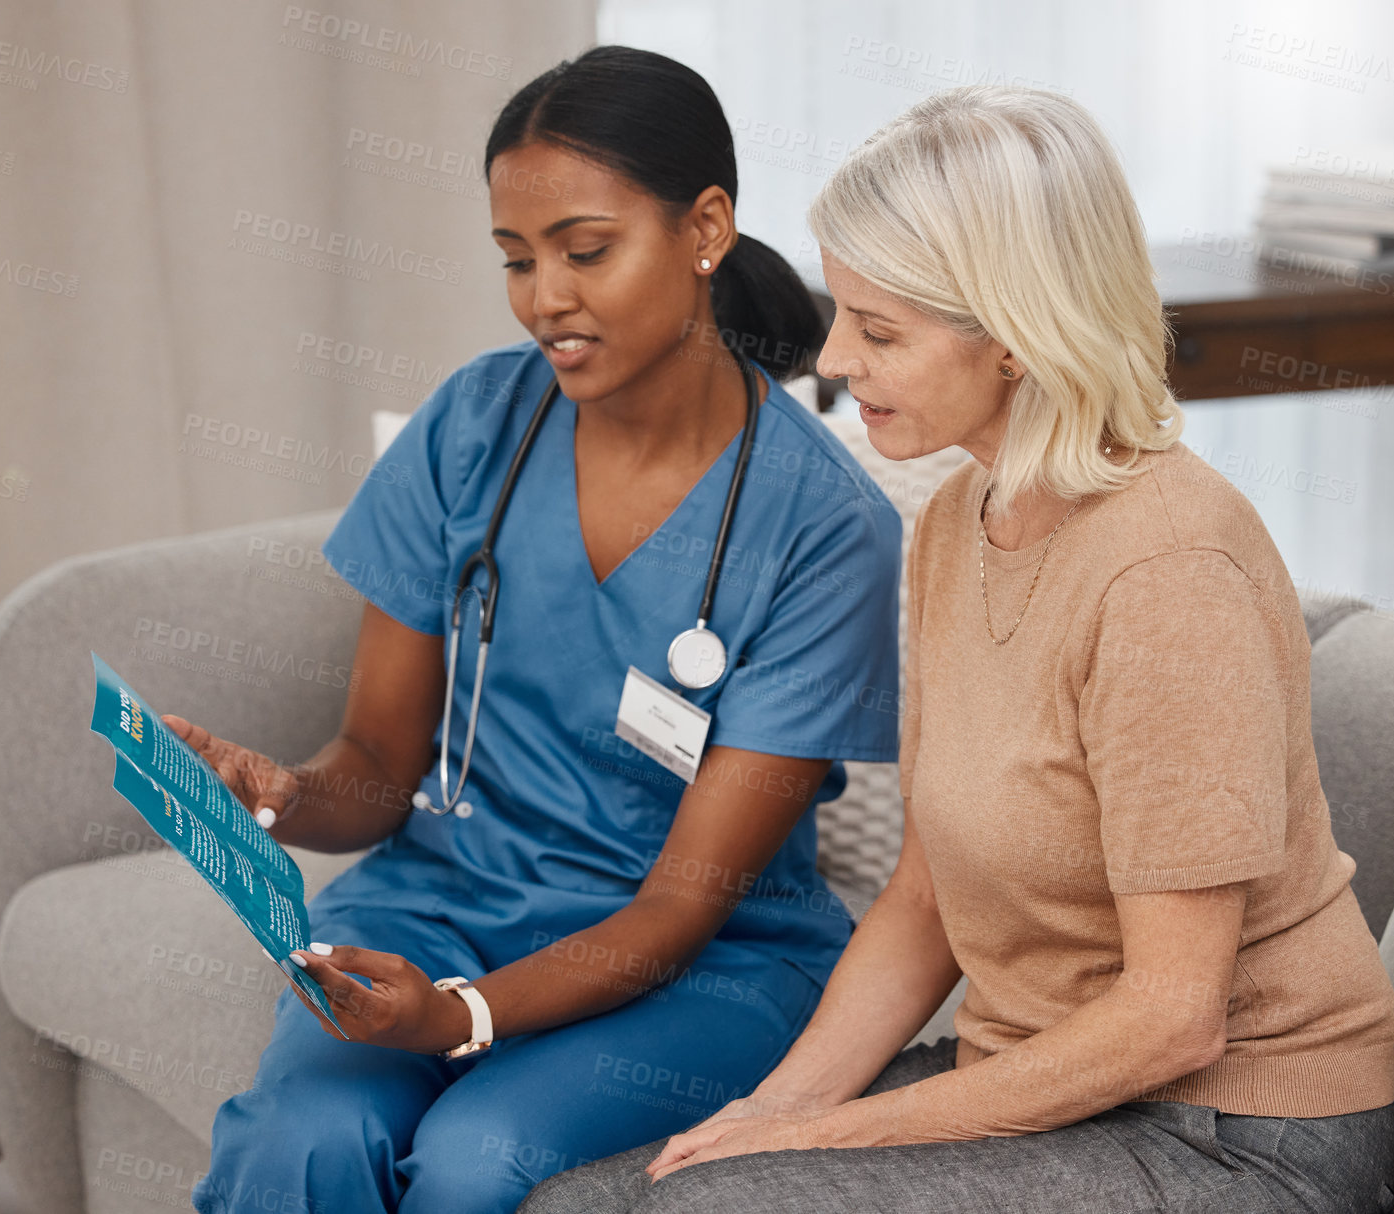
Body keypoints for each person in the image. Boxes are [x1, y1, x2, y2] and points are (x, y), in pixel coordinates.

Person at [520, 84, 1394, 1214]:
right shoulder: (954, 519)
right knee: (579, 1203)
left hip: (1239, 1128)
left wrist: (829, 1137)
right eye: (841, 313)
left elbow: (1172, 1014)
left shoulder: (1164, 570)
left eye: (879, 329)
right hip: (1045, 1080)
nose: (834, 359)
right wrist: (773, 1111)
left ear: (1016, 336)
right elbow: (921, 901)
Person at [169, 46, 901, 1214]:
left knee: (477, 1161)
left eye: (585, 250)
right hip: (443, 903)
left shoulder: (821, 528)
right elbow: (374, 768)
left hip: (699, 963)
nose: (542, 297)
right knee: (299, 1138)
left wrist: (460, 1013)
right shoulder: (472, 426)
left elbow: (678, 904)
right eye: (516, 259)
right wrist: (274, 795)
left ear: (704, 227)